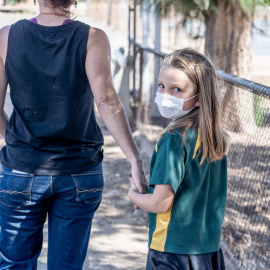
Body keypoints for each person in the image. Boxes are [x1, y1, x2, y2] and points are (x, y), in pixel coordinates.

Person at [0, 0, 147, 269]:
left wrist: (19, 140)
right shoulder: (92, 38)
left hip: (21, 171)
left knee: (14, 265)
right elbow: (107, 103)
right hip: (79, 173)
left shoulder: (6, 37)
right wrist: (135, 160)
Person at [128, 48, 230, 270]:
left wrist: (134, 196)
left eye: (177, 90)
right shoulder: (214, 139)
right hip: (208, 252)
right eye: (162, 86)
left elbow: (159, 203)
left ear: (200, 99)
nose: (165, 95)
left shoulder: (174, 140)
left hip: (171, 252)